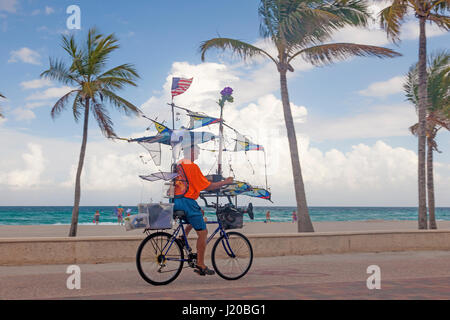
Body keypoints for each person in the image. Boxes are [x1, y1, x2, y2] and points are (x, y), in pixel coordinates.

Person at [173, 144, 233, 276]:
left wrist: (206, 180)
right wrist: (225, 182)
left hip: (177, 201)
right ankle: (200, 264)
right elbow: (208, 186)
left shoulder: (180, 164)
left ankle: (183, 237)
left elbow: (195, 180)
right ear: (192, 151)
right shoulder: (192, 166)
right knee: (203, 233)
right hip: (187, 202)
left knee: (200, 212)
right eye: (198, 151)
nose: (198, 154)